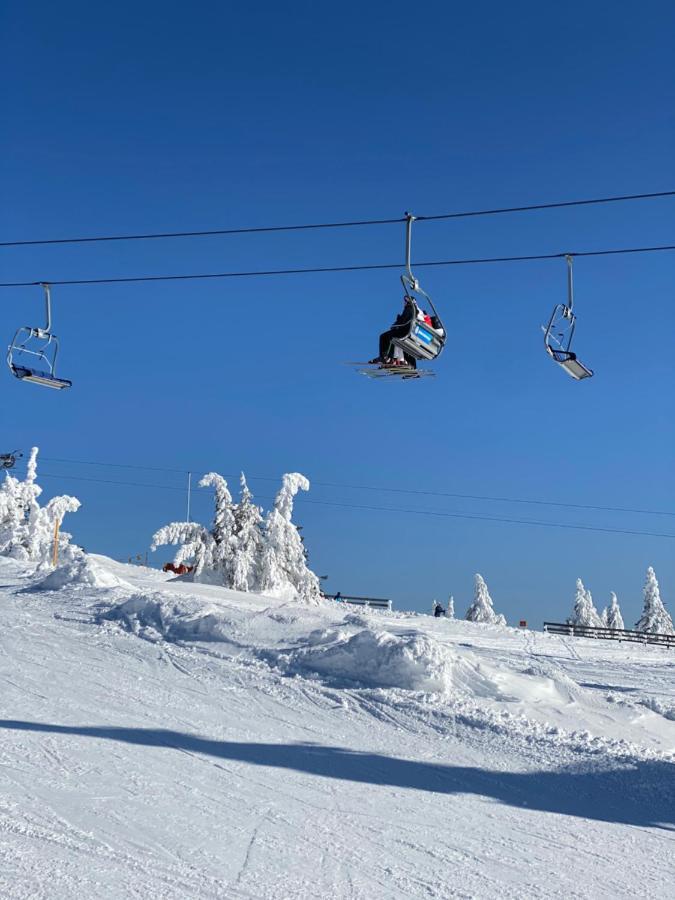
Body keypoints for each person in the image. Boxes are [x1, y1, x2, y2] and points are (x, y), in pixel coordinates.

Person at [370, 296, 418, 368]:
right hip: (410, 333)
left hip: (404, 331)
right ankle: (410, 364)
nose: (404, 303)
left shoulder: (409, 309)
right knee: (404, 345)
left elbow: (404, 321)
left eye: (405, 301)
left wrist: (396, 324)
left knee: (384, 336)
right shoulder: (415, 310)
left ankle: (386, 357)